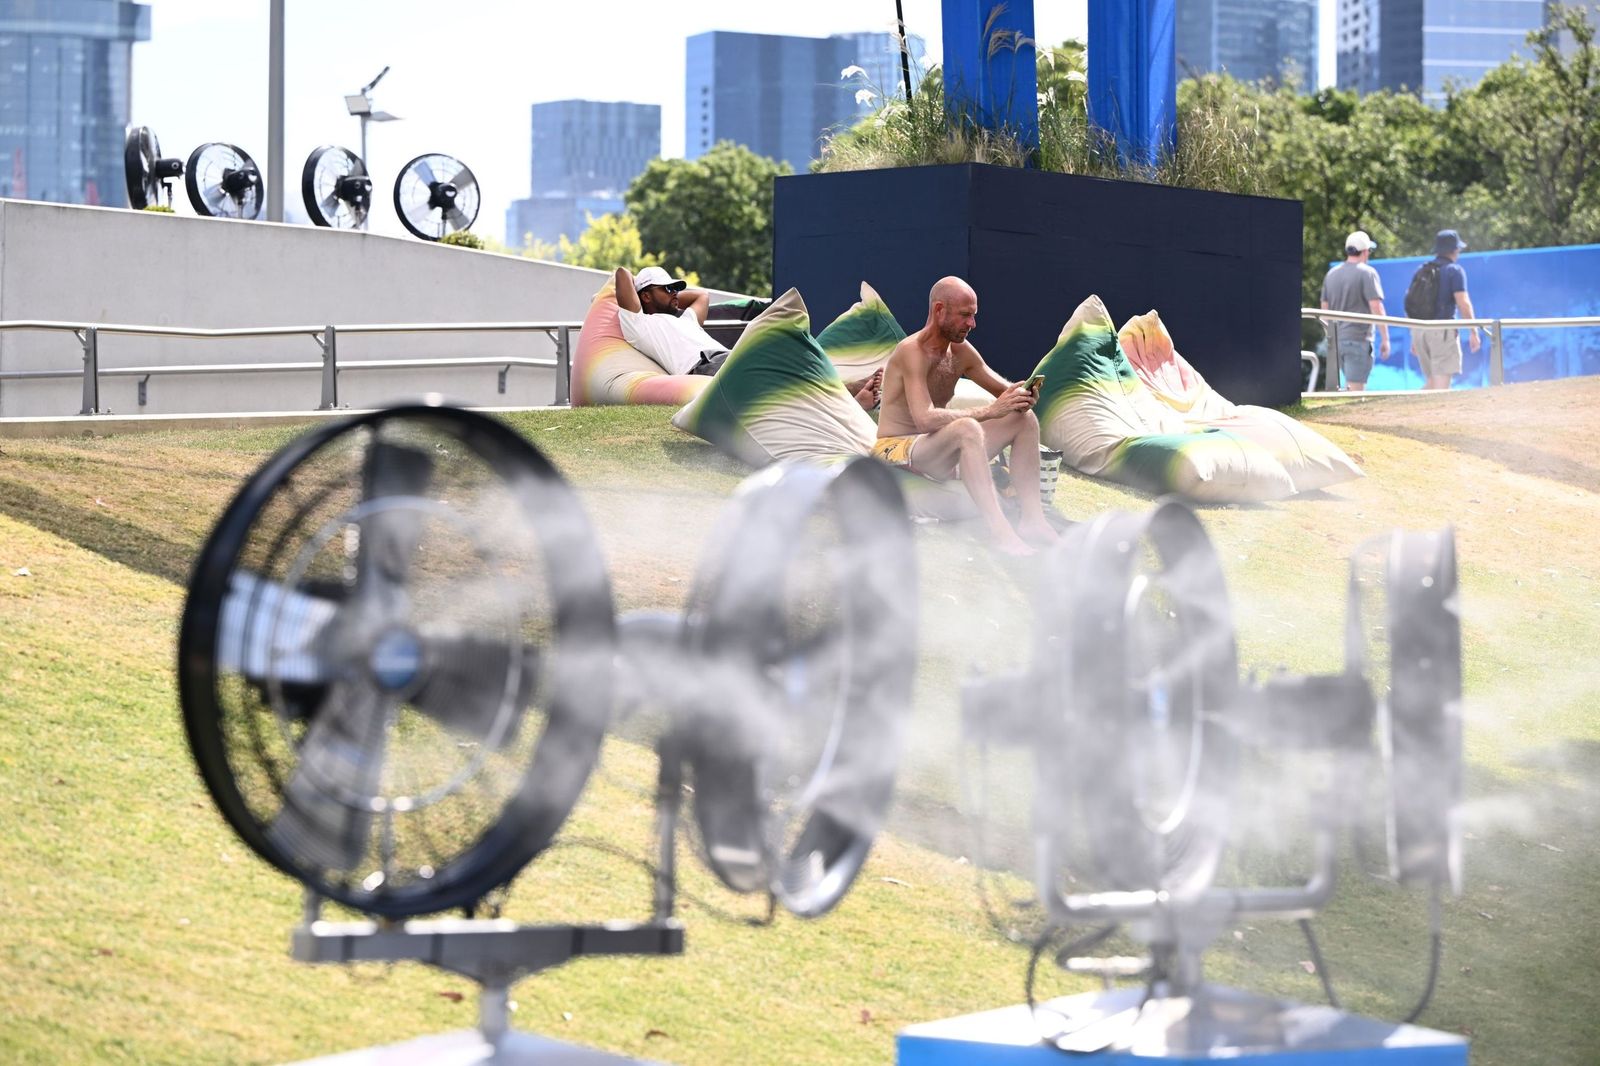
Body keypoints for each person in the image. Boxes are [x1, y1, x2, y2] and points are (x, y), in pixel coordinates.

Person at [873, 276, 1057, 557]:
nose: (972, 324)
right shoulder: (912, 352)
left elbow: (1003, 390)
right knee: (967, 428)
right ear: (939, 310)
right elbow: (923, 419)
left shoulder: (960, 351)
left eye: (973, 315)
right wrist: (990, 411)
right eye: (965, 315)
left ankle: (1034, 521)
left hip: (937, 449)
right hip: (897, 448)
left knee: (1024, 420)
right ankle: (1000, 533)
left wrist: (1021, 396)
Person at [613, 265, 882, 406]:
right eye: (667, 289)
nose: (675, 294)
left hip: (730, 356)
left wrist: (669, 297)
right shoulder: (640, 326)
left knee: (789, 358)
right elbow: (622, 274)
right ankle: (850, 393)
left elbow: (701, 295)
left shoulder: (685, 319)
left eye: (676, 289)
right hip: (704, 367)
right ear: (645, 295)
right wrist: (644, 287)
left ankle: (846, 394)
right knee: (779, 377)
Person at [1319, 230, 1390, 392]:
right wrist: (1385, 339)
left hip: (1336, 341)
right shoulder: (1367, 273)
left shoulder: (1331, 274)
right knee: (1356, 391)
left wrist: (1329, 339)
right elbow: (1376, 307)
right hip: (1358, 339)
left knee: (1346, 389)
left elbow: (1324, 311)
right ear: (1365, 251)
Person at [1412, 229, 1480, 391]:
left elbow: (1412, 303)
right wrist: (1473, 331)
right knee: (1441, 388)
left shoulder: (1422, 270)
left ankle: (1404, 409)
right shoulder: (1454, 271)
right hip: (1441, 331)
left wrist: (1413, 337)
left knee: (1433, 384)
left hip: (1419, 330)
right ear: (1454, 250)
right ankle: (1403, 410)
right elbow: (1463, 303)